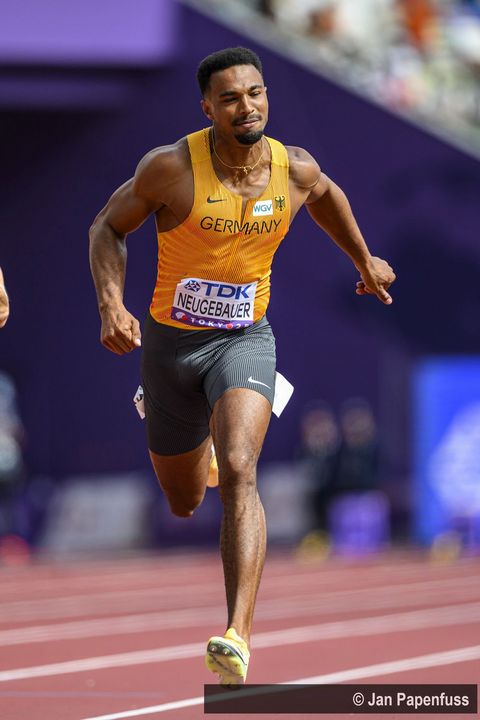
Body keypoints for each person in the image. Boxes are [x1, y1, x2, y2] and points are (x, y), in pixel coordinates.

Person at [89, 46, 395, 685]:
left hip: (244, 338)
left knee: (239, 468)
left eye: (255, 93)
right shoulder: (171, 168)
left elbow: (326, 195)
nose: (246, 106)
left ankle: (237, 635)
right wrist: (112, 305)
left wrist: (363, 260)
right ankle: (191, 441)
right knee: (183, 500)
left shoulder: (293, 168)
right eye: (229, 98)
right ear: (207, 108)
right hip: (171, 348)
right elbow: (107, 228)